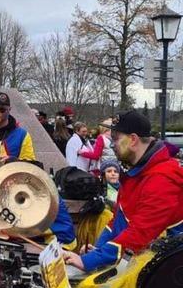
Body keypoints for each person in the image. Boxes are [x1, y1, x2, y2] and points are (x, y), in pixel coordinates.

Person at [63, 110, 183, 273]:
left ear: (133, 140)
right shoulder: (138, 172)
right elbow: (119, 221)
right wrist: (98, 251)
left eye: (116, 138)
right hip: (149, 262)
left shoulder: (162, 178)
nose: (112, 144)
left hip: (168, 273)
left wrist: (89, 260)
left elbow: (140, 233)